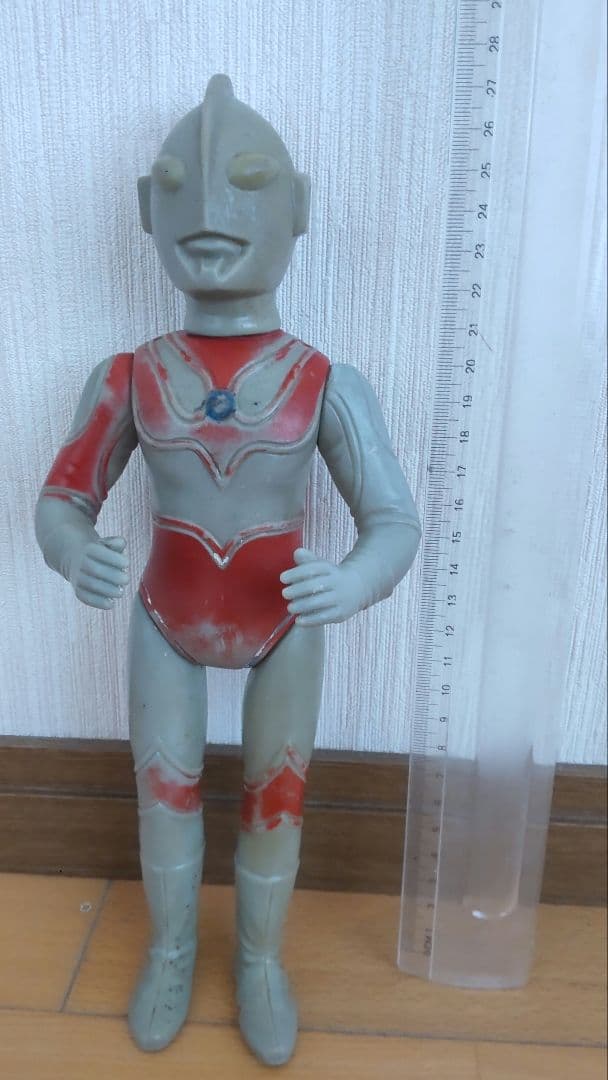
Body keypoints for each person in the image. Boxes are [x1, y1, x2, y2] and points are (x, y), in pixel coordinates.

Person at [35, 74, 421, 1068]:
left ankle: (258, 961)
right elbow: (62, 499)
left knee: (274, 793)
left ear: (298, 208)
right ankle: (171, 952)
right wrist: (74, 551)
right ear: (147, 209)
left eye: (247, 182)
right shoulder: (130, 375)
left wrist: (354, 581)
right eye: (181, 187)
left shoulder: (325, 382)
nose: (210, 210)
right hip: (165, 616)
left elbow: (392, 520)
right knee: (162, 790)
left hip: (284, 623)